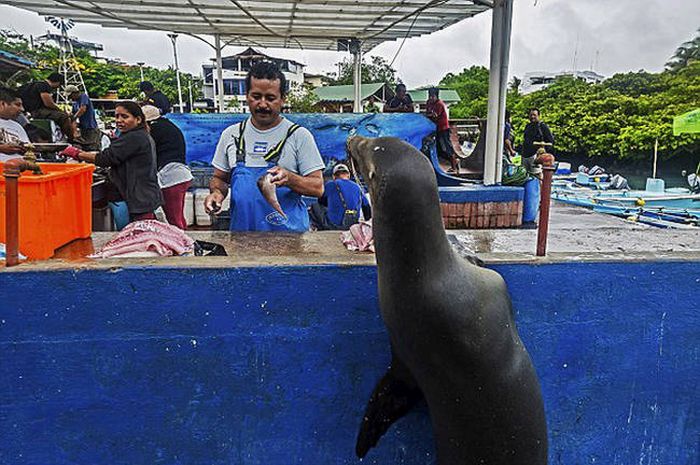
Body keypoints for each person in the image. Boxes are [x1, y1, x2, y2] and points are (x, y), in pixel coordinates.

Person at [204, 61, 324, 232]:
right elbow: (220, 179)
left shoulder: (299, 136)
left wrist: (290, 179)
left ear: (283, 99)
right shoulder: (231, 134)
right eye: (256, 96)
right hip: (242, 237)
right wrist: (217, 193)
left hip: (289, 241)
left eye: (270, 98)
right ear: (247, 96)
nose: (262, 104)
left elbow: (318, 187)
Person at [60, 102, 162, 223]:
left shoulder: (134, 137)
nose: (119, 120)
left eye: (124, 117)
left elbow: (105, 158)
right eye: (117, 116)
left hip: (138, 197)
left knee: (133, 236)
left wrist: (76, 153)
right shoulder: (138, 135)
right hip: (142, 195)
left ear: (138, 119)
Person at [142, 105, 193, 230]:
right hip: (180, 174)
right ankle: (184, 242)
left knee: (174, 219)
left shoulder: (155, 129)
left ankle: (182, 246)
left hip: (172, 176)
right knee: (178, 218)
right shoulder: (168, 126)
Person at [309, 163, 371, 231]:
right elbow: (367, 208)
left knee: (315, 205)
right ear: (348, 175)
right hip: (352, 225)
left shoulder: (330, 184)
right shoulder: (358, 187)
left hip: (334, 226)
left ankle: (318, 228)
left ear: (334, 176)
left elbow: (321, 201)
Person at [19, 72, 75, 141]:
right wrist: (60, 110)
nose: (58, 87)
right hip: (37, 111)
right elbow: (48, 103)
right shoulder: (44, 86)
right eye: (59, 85)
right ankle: (71, 138)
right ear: (57, 82)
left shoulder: (33, 84)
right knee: (64, 116)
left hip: (30, 110)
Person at [425, 87, 459, 173]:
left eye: (433, 96)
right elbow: (428, 113)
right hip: (434, 128)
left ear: (437, 96)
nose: (431, 98)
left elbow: (434, 116)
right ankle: (454, 162)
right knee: (438, 149)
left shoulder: (439, 104)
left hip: (443, 128)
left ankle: (454, 166)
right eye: (430, 96)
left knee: (447, 147)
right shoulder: (428, 103)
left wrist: (429, 116)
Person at [66, 85, 101, 151]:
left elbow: (83, 109)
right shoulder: (75, 103)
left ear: (75, 93)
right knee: (85, 148)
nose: (70, 98)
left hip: (91, 128)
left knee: (93, 148)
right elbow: (73, 116)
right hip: (83, 129)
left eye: (70, 96)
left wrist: (74, 117)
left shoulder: (83, 96)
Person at [522, 108, 554, 175]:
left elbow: (550, 141)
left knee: (537, 175)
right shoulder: (527, 126)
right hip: (525, 155)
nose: (532, 117)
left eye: (534, 115)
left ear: (538, 116)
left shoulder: (543, 127)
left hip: (536, 156)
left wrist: (543, 149)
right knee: (524, 175)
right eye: (531, 115)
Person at [0, 87, 28, 162]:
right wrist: (1, 148)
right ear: (2, 104)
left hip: (20, 169)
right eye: (17, 105)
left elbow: (28, 149)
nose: (22, 109)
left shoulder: (18, 126)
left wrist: (24, 149)